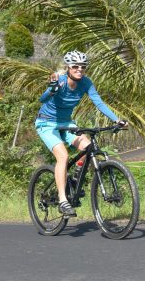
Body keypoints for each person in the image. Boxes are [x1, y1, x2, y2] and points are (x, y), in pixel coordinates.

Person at [35, 50, 127, 217]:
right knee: (62, 156)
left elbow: (98, 102)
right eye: (75, 66)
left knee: (88, 146)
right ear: (68, 68)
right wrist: (53, 90)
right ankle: (63, 201)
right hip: (46, 123)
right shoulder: (60, 80)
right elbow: (42, 99)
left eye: (82, 67)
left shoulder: (86, 83)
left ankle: (76, 179)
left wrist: (116, 120)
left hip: (67, 123)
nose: (79, 69)